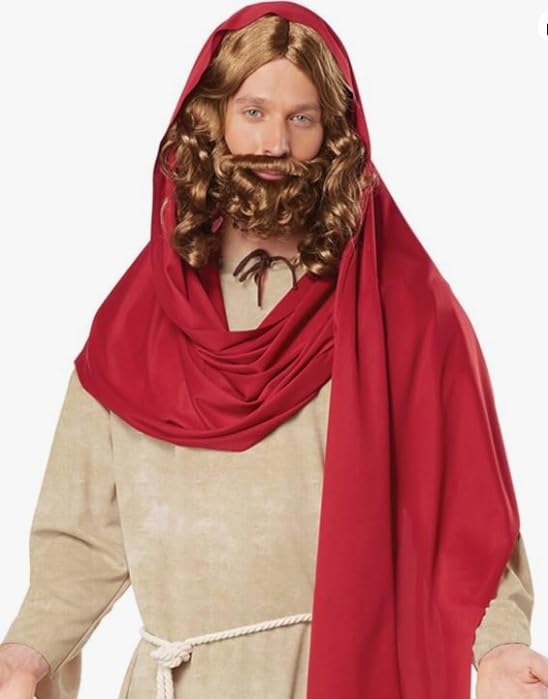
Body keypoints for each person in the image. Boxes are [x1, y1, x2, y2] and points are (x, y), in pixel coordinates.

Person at [0, 3, 544, 698]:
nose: (274, 145)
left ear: (334, 136)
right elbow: (80, 539)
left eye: (302, 118)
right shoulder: (136, 322)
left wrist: (500, 647)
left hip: (339, 673)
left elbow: (467, 522)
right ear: (214, 120)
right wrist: (27, 653)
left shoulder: (404, 311)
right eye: (253, 112)